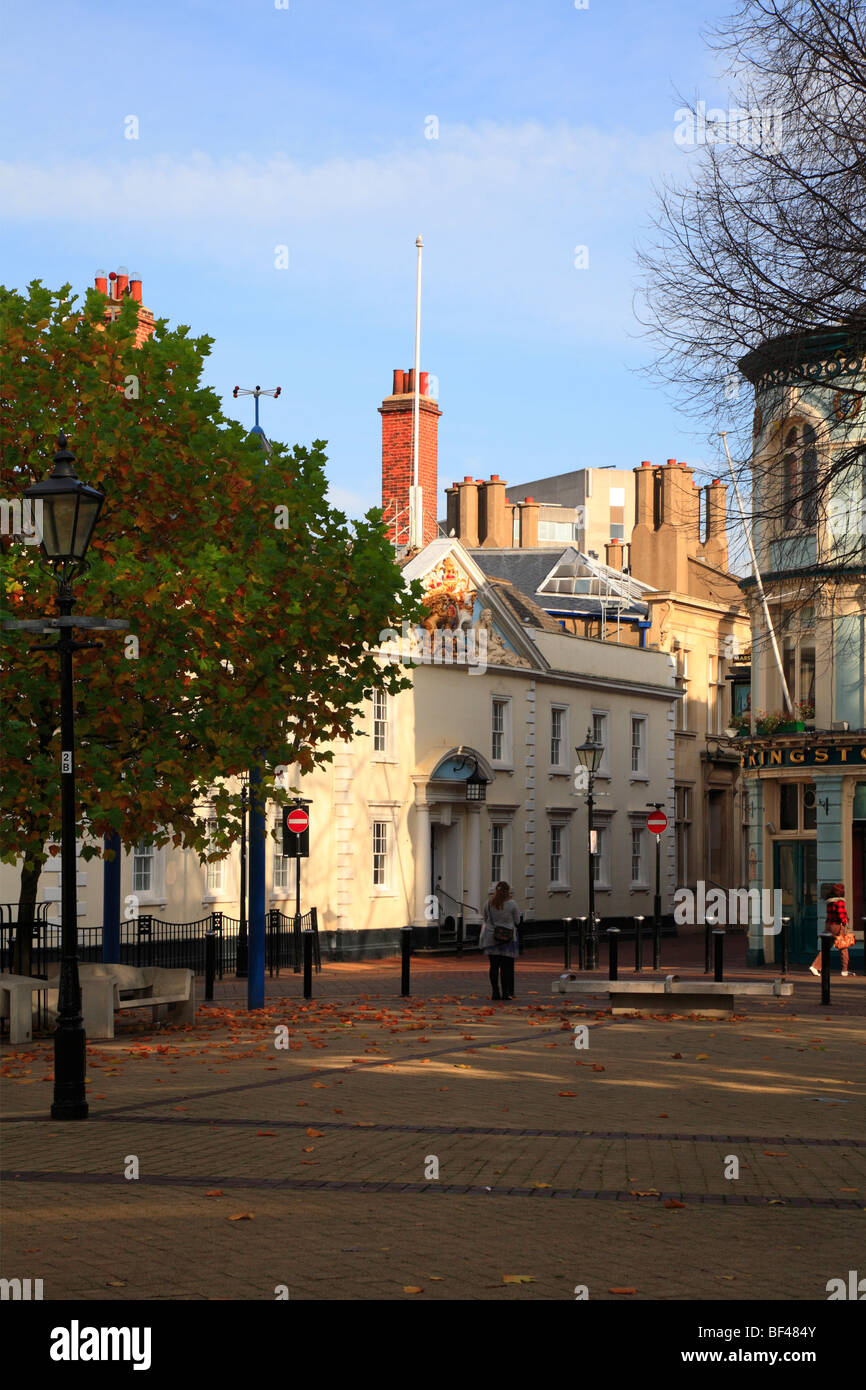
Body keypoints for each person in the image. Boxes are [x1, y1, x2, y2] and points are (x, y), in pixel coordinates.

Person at [479, 881, 521, 1000]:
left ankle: (495, 992)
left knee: (493, 966)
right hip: (507, 938)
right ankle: (506, 992)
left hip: (491, 938)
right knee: (506, 967)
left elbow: (485, 919)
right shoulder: (512, 904)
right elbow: (517, 921)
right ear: (507, 891)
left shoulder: (488, 903)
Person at [809, 884, 856, 977]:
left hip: (829, 925)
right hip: (837, 926)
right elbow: (841, 915)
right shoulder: (840, 902)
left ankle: (815, 966)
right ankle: (844, 970)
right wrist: (845, 921)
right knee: (843, 947)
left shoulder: (830, 902)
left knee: (826, 947)